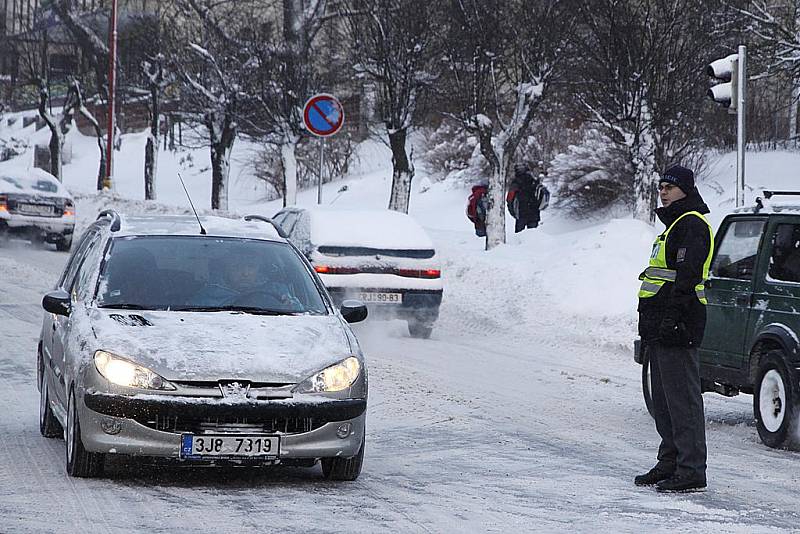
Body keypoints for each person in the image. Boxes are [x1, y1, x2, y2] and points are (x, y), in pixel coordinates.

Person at [635, 164, 714, 493]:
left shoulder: (692, 225)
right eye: (661, 186)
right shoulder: (674, 225)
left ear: (686, 189)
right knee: (664, 401)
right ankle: (670, 460)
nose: (663, 191)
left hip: (678, 325)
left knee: (683, 401)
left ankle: (691, 469)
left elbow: (685, 281)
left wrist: (671, 320)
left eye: (670, 186)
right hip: (661, 326)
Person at [507, 164, 549, 233]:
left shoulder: (516, 183)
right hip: (534, 211)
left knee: (519, 236)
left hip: (521, 212)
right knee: (533, 235)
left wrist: (512, 211)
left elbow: (510, 199)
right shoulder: (533, 180)